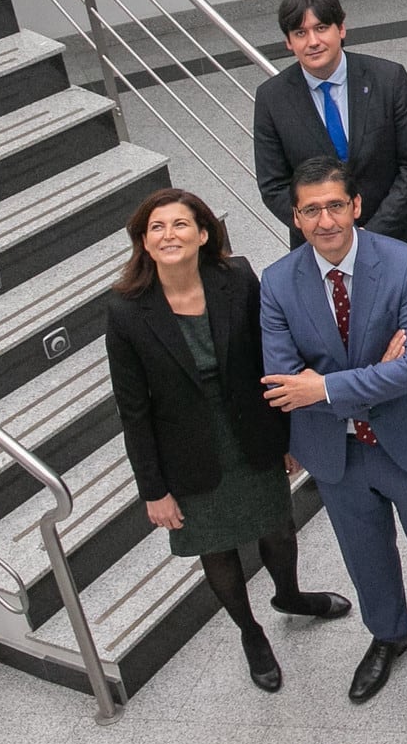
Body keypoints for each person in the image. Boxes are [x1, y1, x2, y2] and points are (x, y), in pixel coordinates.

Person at [104, 189, 349, 693]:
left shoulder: (236, 278)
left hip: (250, 430)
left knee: (278, 527)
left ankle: (290, 596)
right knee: (216, 547)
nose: (169, 234)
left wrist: (286, 434)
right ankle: (250, 631)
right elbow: (133, 410)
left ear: (202, 233)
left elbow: (270, 356)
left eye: (179, 224)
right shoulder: (127, 311)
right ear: (144, 242)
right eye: (157, 228)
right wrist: (153, 489)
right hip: (188, 451)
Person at [259, 157, 407, 705]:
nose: (325, 220)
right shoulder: (276, 282)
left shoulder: (403, 262)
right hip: (335, 450)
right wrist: (369, 374)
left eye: (335, 205)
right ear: (296, 217)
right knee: (364, 553)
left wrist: (326, 387)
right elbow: (286, 382)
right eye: (311, 210)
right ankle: (388, 633)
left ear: (356, 206)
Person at [253, 0, 407, 255]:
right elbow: (273, 185)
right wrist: (324, 229)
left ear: (340, 29)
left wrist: (371, 234)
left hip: (399, 236)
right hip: (319, 244)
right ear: (288, 42)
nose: (313, 41)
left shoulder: (388, 79)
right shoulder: (272, 98)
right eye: (300, 33)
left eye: (321, 28)